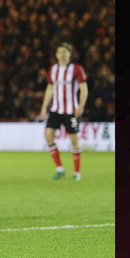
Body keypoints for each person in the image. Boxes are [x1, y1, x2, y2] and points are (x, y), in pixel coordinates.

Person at [38, 42, 89, 180]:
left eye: (65, 52)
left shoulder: (77, 69)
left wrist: (81, 106)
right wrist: (44, 107)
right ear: (56, 55)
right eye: (60, 52)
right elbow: (50, 89)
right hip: (56, 110)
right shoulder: (53, 69)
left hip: (71, 110)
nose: (62, 55)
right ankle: (59, 169)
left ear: (70, 55)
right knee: (48, 136)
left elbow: (84, 88)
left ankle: (76, 173)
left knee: (74, 140)